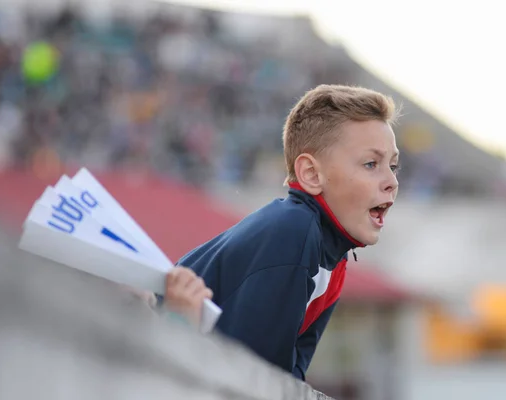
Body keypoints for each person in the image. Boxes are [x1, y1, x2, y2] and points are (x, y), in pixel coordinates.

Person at [165, 84, 401, 380]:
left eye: (393, 166)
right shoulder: (294, 232)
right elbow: (256, 379)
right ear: (312, 175)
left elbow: (290, 377)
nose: (392, 181)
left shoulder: (332, 253)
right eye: (371, 164)